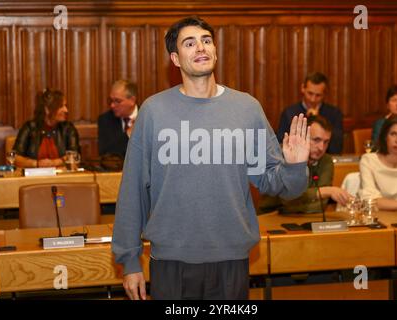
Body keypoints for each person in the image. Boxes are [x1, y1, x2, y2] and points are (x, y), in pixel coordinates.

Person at [112, 16, 310, 300]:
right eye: (189, 43)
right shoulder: (153, 112)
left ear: (215, 50)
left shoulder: (246, 109)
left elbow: (274, 183)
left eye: (206, 40)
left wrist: (294, 166)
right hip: (171, 262)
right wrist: (130, 260)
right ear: (175, 58)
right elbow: (132, 191)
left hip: (231, 260)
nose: (200, 47)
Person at [260, 115, 352, 214]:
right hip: (271, 216)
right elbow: (287, 200)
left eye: (326, 142)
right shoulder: (283, 155)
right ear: (303, 137)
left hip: (307, 218)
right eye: (316, 140)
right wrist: (327, 191)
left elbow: (321, 205)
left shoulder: (326, 161)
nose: (321, 147)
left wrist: (313, 197)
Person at [277, 72, 343, 154]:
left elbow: (337, 148)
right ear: (302, 88)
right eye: (310, 93)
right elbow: (281, 144)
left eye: (318, 95)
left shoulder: (334, 113)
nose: (313, 99)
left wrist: (317, 119)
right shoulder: (289, 113)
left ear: (325, 94)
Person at [13, 88, 80, 168]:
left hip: (62, 178)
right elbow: (15, 158)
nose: (66, 110)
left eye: (65, 106)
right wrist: (36, 163)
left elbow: (75, 156)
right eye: (61, 106)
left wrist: (54, 162)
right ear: (47, 109)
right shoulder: (30, 128)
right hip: (34, 178)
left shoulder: (68, 128)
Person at [98, 79, 138, 158]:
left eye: (117, 101)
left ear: (132, 100)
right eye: (111, 100)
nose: (112, 105)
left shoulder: (147, 117)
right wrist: (128, 134)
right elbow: (105, 153)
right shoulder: (105, 120)